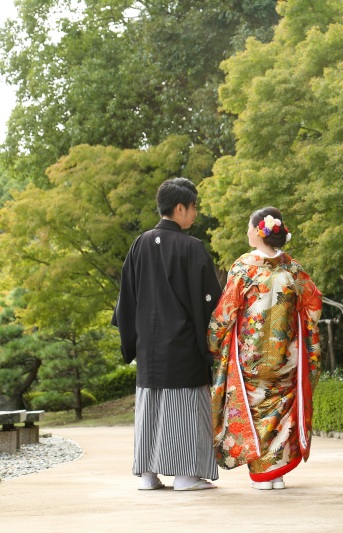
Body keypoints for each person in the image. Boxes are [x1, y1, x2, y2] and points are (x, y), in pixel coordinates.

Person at [112, 177, 222, 491]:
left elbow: (127, 301)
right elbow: (211, 302)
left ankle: (147, 474)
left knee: (149, 409)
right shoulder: (192, 247)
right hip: (184, 346)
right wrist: (213, 340)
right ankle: (186, 475)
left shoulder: (139, 244)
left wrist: (134, 340)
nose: (195, 213)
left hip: (149, 347)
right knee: (186, 410)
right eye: (193, 207)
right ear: (179, 208)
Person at [208, 206, 322, 490]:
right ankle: (277, 474)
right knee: (280, 412)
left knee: (254, 410)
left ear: (259, 232)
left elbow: (226, 312)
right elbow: (314, 304)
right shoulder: (293, 269)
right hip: (287, 356)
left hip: (252, 355)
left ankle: (263, 474)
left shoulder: (243, 268)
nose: (247, 232)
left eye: (249, 227)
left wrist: (213, 340)